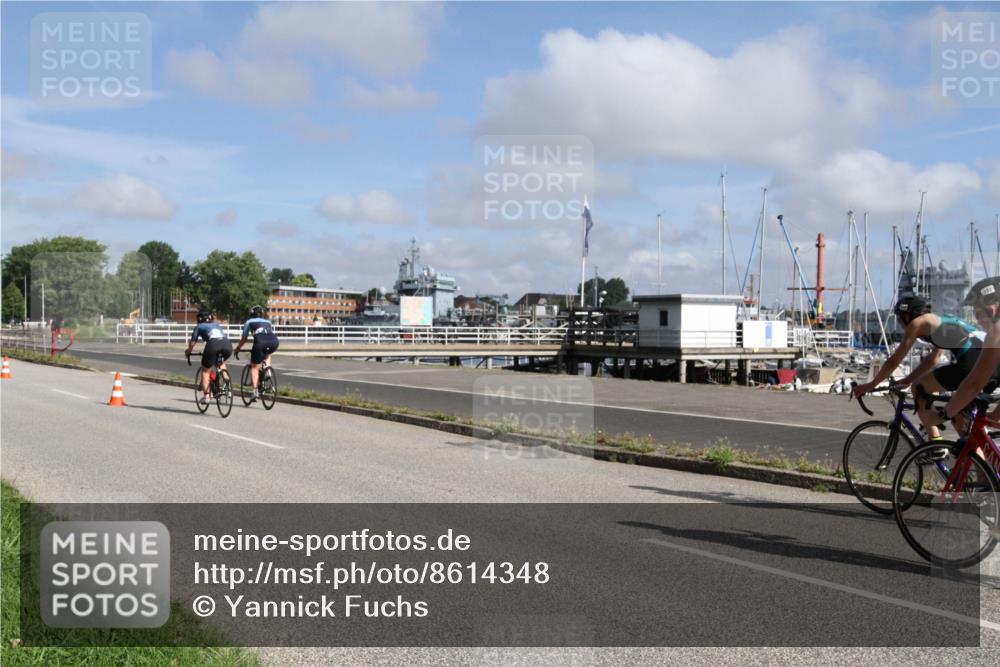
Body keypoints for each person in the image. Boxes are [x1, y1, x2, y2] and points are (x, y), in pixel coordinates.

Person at [852, 295, 985, 439]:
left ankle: (935, 441)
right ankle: (973, 452)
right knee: (960, 419)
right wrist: (908, 379)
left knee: (918, 387)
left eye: (899, 318)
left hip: (970, 362)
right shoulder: (939, 321)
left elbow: (893, 361)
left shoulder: (918, 323)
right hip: (986, 361)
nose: (900, 324)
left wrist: (870, 385)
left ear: (908, 315)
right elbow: (933, 359)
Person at [929, 277, 1000, 425]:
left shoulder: (996, 332)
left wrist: (944, 415)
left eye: (978, 314)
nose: (977, 321)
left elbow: (974, 384)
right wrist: (995, 415)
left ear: (991, 310)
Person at [185, 310, 232, 405]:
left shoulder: (199, 327)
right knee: (220, 362)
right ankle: (227, 383)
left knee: (205, 370)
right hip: (227, 345)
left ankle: (206, 396)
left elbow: (192, 343)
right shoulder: (216, 324)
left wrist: (188, 352)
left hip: (213, 345)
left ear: (199, 320)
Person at [234, 305, 279, 401]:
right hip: (274, 342)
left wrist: (238, 348)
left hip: (260, 343)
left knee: (254, 367)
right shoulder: (268, 322)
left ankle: (255, 391)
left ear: (251, 314)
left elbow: (244, 338)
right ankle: (267, 369)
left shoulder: (249, 322)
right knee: (267, 353)